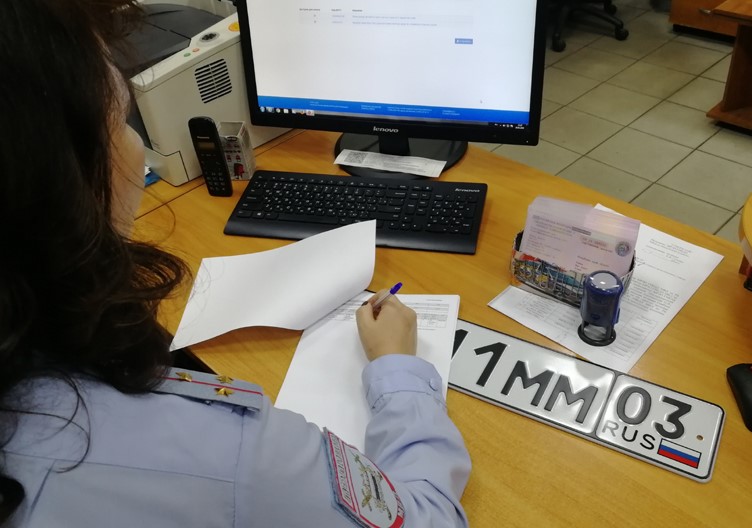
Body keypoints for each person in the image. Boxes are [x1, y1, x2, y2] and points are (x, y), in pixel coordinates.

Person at [0, 1, 472, 526]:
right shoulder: (221, 453)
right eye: (121, 118)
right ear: (59, 179)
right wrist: (397, 368)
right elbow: (428, 518)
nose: (138, 148)